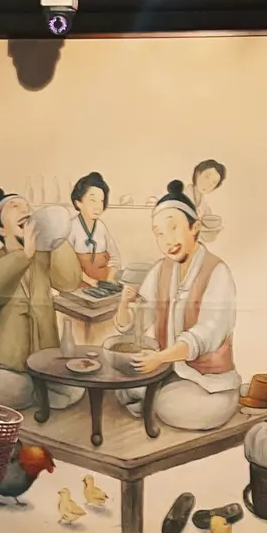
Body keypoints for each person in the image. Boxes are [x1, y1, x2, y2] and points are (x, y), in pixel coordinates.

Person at [113, 180, 240, 431]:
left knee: (172, 406)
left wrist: (159, 357)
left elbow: (206, 333)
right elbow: (139, 323)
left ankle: (152, 401)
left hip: (209, 385)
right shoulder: (161, 269)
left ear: (195, 227)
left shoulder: (217, 271)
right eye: (159, 233)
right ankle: (151, 398)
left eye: (173, 228)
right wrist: (125, 304)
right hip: (169, 372)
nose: (167, 239)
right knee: (122, 387)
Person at [0, 188, 84, 410]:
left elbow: (70, 282)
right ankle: (39, 392)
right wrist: (23, 256)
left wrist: (56, 239)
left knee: (76, 388)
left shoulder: (44, 257)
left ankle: (38, 390)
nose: (25, 210)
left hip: (44, 363)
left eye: (27, 206)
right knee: (12, 388)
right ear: (1, 229)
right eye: (15, 206)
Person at [68, 171, 121, 287]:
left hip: (102, 285)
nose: (98, 206)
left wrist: (109, 279)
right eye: (93, 200)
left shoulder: (101, 227)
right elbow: (66, 265)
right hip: (78, 286)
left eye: (101, 201)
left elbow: (115, 258)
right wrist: (91, 282)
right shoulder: (70, 228)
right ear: (78, 202)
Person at [185, 159, 227, 243]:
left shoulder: (204, 204)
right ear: (197, 173)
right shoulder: (183, 195)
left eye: (213, 183)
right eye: (207, 177)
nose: (208, 184)